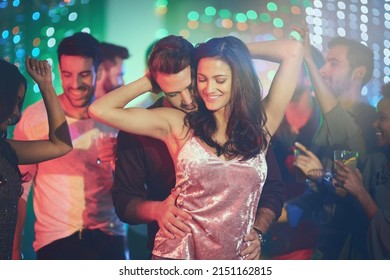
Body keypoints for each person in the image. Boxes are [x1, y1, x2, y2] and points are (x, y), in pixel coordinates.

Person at [90, 35, 303, 259]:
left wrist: (223, 52)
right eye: (202, 79)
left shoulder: (257, 125)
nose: (192, 98)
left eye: (218, 79)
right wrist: (151, 78)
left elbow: (293, 50)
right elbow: (99, 110)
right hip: (179, 254)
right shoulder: (177, 124)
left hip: (238, 258)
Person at [13, 32, 126, 260]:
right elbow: (20, 190)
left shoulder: (115, 117)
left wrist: (121, 162)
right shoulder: (36, 117)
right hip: (56, 240)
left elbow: (133, 191)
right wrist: (14, 251)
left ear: (99, 71)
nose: (75, 84)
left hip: (110, 236)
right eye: (67, 75)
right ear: (59, 71)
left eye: (84, 74)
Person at [0, 57, 72, 260]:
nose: (16, 111)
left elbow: (61, 145)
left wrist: (46, 86)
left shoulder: (7, 150)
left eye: (19, 103)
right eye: (12, 101)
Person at [263, 46, 324, 260]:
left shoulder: (324, 121)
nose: (285, 71)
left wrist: (320, 175)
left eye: (294, 67)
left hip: (309, 238)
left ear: (311, 76)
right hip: (265, 232)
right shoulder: (265, 116)